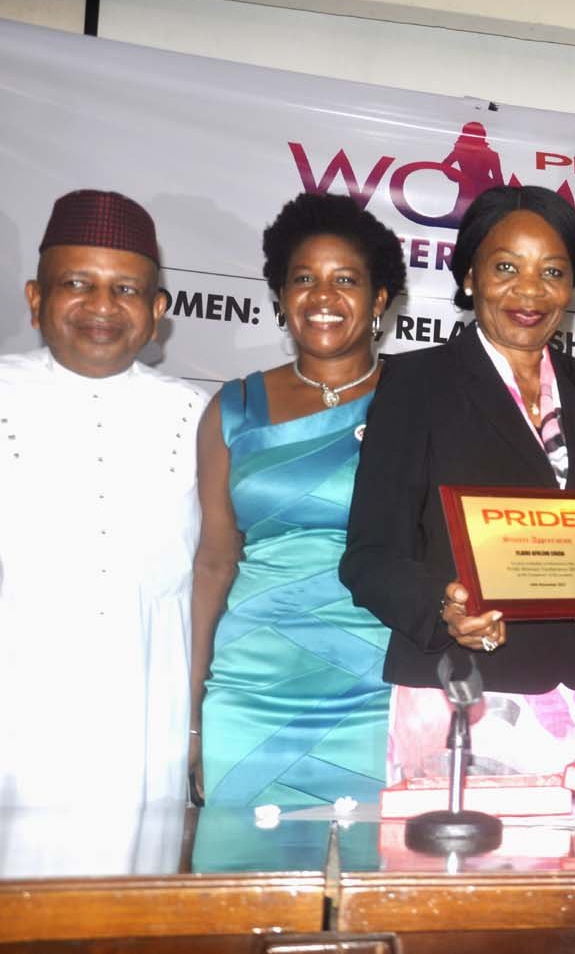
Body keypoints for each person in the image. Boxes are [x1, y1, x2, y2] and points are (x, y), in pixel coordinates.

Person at [340, 186, 575, 781]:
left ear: (573, 287)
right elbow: (369, 555)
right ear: (469, 277)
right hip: (459, 694)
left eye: (552, 272)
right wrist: (444, 609)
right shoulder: (414, 385)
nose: (529, 291)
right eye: (506, 268)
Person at [191, 193, 405, 807]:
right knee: (241, 864)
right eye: (304, 279)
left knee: (373, 866)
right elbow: (214, 562)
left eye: (346, 280)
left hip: (380, 688)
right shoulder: (233, 407)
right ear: (281, 297)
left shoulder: (418, 400)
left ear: (379, 299)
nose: (323, 296)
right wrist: (195, 711)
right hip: (249, 689)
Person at [0, 189, 206, 806]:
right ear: (36, 299)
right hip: (15, 715)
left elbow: (219, 572)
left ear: (157, 309)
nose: (101, 306)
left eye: (125, 289)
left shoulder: (199, 416)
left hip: (147, 720)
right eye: (76, 283)